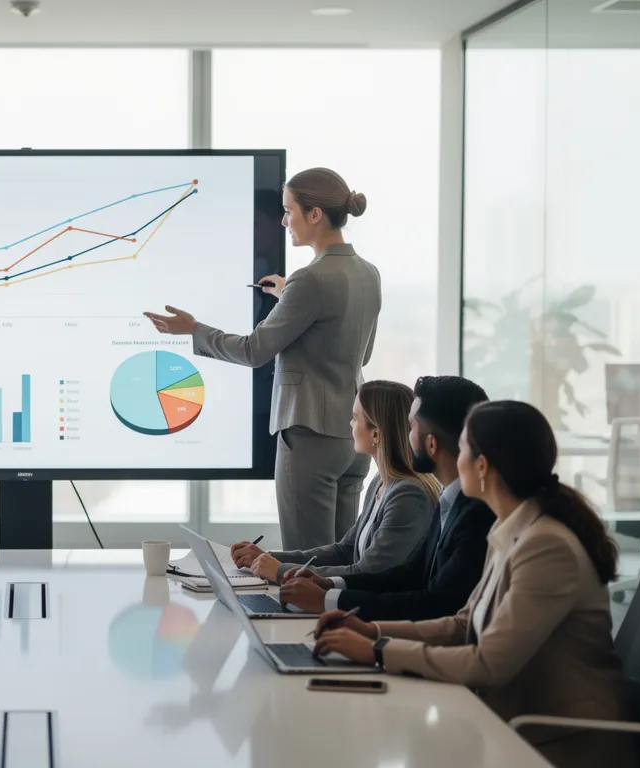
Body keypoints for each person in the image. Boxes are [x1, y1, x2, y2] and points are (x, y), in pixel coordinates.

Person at [312, 401, 639, 768]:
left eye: (463, 449)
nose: (455, 458)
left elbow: (487, 663)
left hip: (560, 741)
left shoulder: (547, 546)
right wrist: (370, 630)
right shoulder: (511, 527)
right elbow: (464, 624)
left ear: (482, 465)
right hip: (513, 716)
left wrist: (378, 651)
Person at [145, 167, 381, 550]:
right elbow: (361, 352)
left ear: (315, 214)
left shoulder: (311, 279)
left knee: (305, 563)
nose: (285, 220)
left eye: (289, 211)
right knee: (341, 562)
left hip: (309, 436)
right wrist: (289, 297)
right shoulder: (368, 273)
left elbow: (254, 351)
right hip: (351, 438)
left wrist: (193, 329)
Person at [279, 375, 494, 619]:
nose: (404, 434)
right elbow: (409, 574)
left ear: (431, 444)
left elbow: (435, 603)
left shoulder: (474, 514)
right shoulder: (449, 499)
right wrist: (331, 585)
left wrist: (329, 600)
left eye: (411, 426)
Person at [231, 380, 438, 581]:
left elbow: (368, 572)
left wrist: (281, 571)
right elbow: (345, 550)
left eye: (355, 418)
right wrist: (269, 558)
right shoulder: (381, 482)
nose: (350, 423)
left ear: (376, 434)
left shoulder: (408, 494)